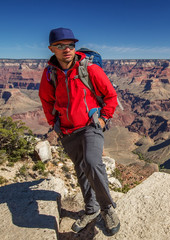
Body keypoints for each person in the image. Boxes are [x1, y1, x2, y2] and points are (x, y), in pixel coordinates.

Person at [39, 27, 120, 235]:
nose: (67, 49)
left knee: (92, 162)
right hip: (67, 130)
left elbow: (111, 95)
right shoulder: (50, 73)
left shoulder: (90, 69)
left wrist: (103, 119)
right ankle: (91, 209)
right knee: (81, 168)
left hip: (90, 126)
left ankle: (107, 208)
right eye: (60, 45)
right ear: (51, 49)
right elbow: (46, 100)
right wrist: (54, 124)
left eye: (70, 45)